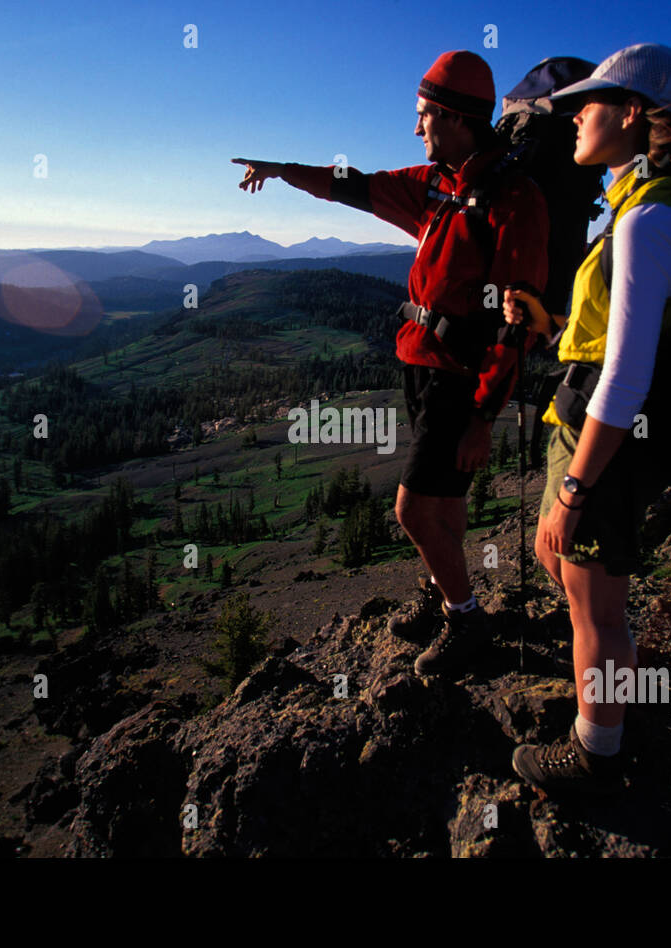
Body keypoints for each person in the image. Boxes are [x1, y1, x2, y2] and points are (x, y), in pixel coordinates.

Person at [234, 51, 549, 679]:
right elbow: (357, 185)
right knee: (446, 500)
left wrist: (485, 416)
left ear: (457, 118)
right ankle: (446, 594)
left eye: (423, 116)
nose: (416, 129)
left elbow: (518, 325)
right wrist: (283, 170)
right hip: (422, 362)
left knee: (411, 510)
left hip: (461, 378)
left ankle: (466, 622)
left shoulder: (512, 200)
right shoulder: (439, 184)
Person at [502, 43, 671, 795]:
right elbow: (612, 336)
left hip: (608, 435)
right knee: (566, 569)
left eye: (590, 104)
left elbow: (624, 375)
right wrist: (551, 322)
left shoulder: (646, 220)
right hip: (592, 414)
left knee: (595, 605)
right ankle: (612, 686)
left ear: (629, 114)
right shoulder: (643, 202)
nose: (576, 117)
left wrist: (574, 491)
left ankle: (596, 753)